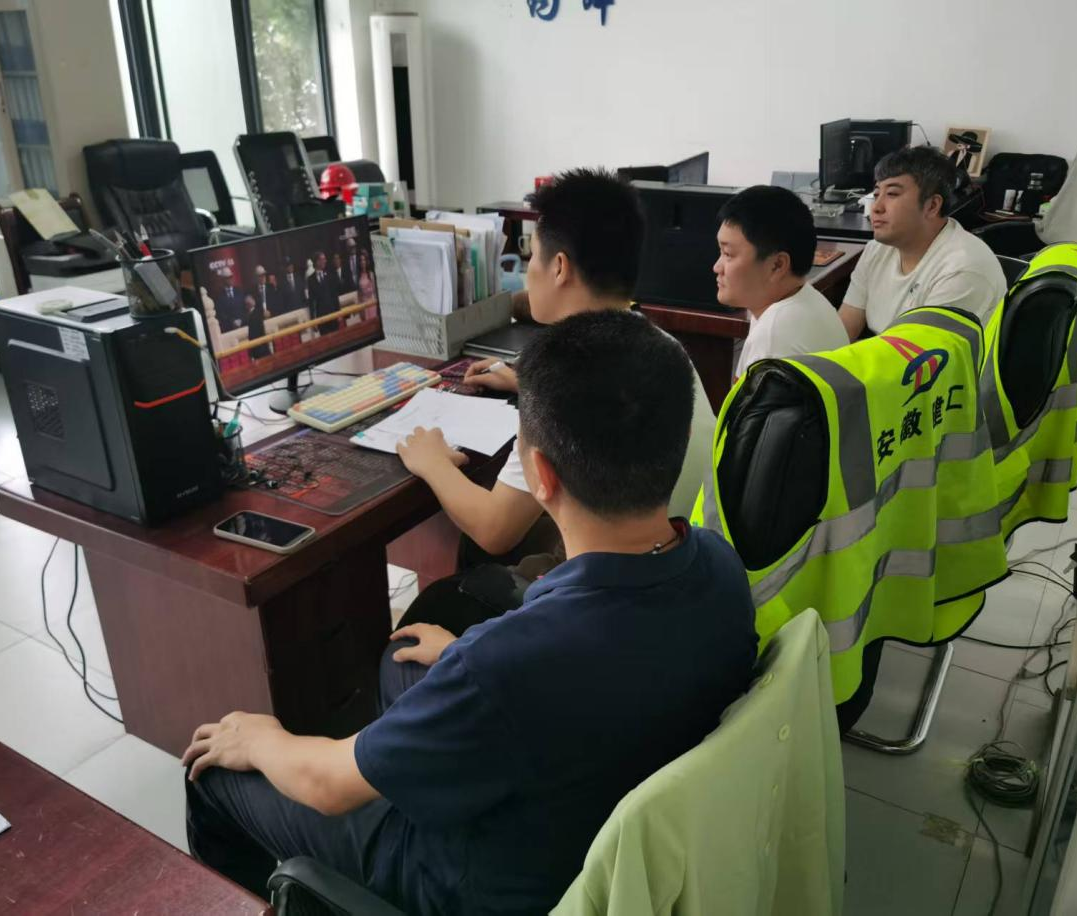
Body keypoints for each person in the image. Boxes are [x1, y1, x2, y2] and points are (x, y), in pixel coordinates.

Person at [183, 310, 759, 914]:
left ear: (540, 475)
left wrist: (264, 739)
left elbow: (325, 785)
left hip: (481, 885)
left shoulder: (503, 664)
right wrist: (464, 655)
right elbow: (579, 667)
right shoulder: (720, 569)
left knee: (219, 773)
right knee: (404, 659)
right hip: (595, 821)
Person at [396, 168, 715, 565]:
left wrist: (432, 462)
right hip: (684, 558)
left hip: (618, 582)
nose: (528, 272)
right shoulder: (662, 347)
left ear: (560, 267)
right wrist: (523, 382)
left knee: (473, 560)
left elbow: (494, 530)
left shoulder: (563, 382)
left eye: (532, 256)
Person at [838, 146, 1006, 341]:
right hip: (887, 352)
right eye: (876, 195)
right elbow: (844, 328)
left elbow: (921, 356)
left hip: (929, 358)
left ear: (932, 205)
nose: (876, 207)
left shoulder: (963, 269)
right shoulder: (876, 250)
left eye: (892, 194)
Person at [713, 185, 848, 378]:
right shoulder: (807, 300)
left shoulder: (773, 336)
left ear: (777, 265)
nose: (717, 267)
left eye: (728, 254)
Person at [307, 252, 341, 334]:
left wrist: (339, 313)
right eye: (322, 259)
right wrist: (313, 320)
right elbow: (312, 302)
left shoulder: (330, 275)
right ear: (317, 262)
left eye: (325, 259)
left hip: (333, 315)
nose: (325, 261)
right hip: (321, 318)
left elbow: (334, 295)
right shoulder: (310, 279)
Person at [242, 293, 271, 359]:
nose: (251, 301)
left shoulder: (257, 312)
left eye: (251, 299)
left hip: (260, 345)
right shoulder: (249, 315)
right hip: (258, 346)